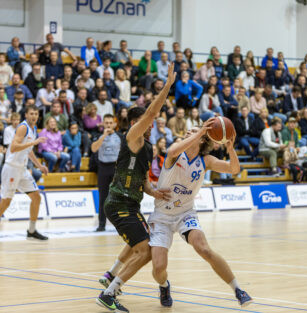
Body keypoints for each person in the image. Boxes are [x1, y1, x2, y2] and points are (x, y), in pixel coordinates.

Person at [144, 121, 253, 307]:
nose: (189, 132)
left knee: (204, 248)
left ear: (203, 139)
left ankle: (238, 290)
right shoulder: (176, 153)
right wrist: (201, 130)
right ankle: (164, 285)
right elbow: (170, 152)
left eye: (194, 131)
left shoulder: (206, 160)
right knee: (159, 268)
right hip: (162, 216)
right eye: (188, 131)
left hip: (185, 213)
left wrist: (230, 148)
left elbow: (234, 169)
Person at [96, 64, 175, 312]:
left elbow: (142, 180)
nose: (151, 123)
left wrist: (153, 191)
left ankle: (111, 275)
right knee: (146, 251)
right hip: (119, 202)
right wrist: (167, 88)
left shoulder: (149, 148)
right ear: (134, 123)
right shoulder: (132, 136)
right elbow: (152, 113)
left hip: (131, 202)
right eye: (146, 121)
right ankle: (109, 293)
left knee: (139, 241)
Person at [0, 105, 49, 244]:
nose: (34, 116)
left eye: (36, 113)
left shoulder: (33, 129)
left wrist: (39, 165)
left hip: (22, 169)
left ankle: (32, 231)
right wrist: (34, 142)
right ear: (26, 115)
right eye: (31, 113)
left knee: (36, 197)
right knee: (6, 202)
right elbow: (14, 147)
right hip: (11, 168)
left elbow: (28, 150)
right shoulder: (23, 127)